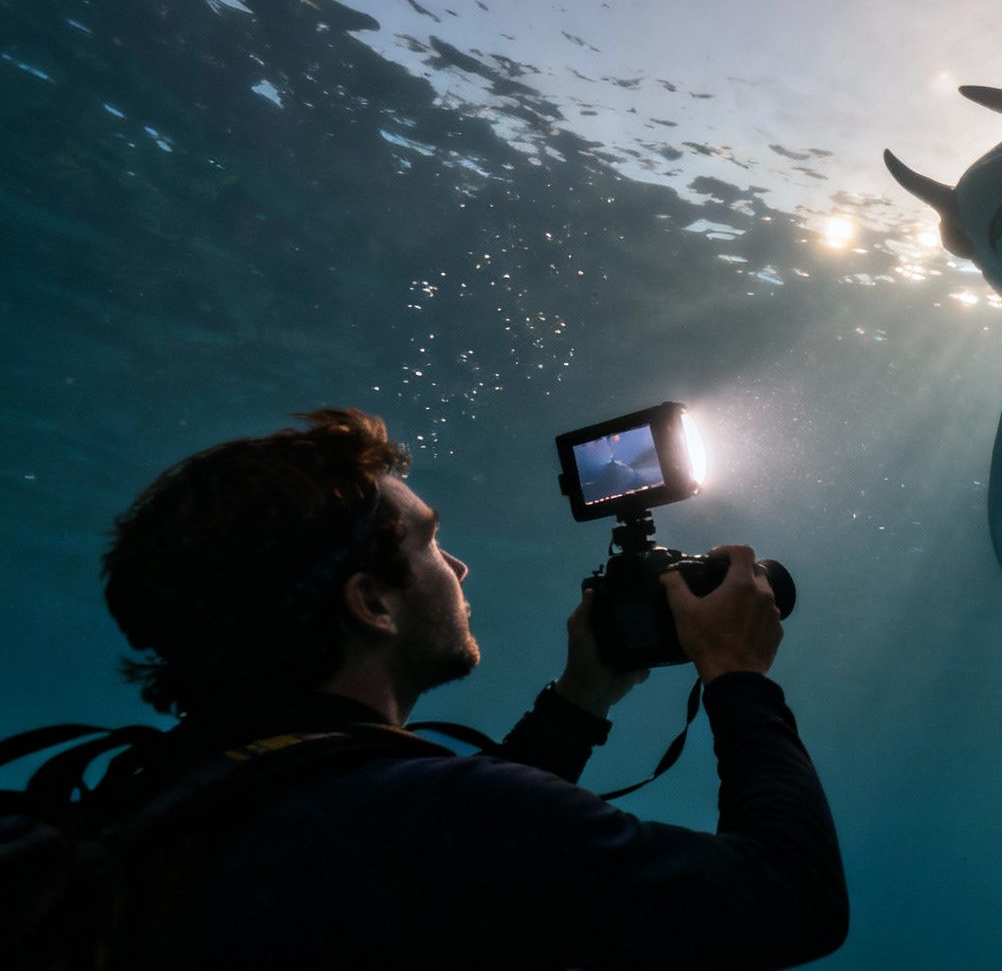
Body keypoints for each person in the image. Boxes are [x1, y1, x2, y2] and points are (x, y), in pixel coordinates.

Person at [87, 407, 847, 969]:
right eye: (428, 542)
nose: (457, 568)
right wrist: (737, 677)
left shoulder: (169, 786)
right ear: (372, 603)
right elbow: (791, 900)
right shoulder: (426, 813)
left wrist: (582, 697)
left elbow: (453, 850)